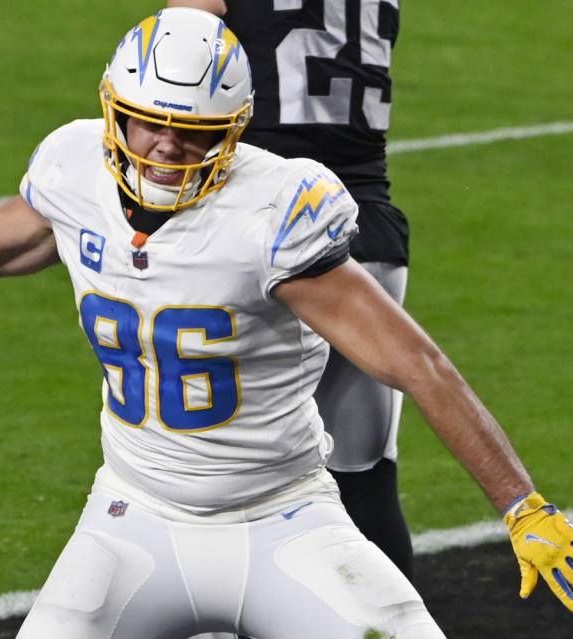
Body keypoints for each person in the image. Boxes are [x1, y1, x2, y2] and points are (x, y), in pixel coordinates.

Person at [0, 8, 573, 639]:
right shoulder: (76, 171)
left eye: (192, 134)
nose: (166, 150)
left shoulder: (274, 207)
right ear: (115, 114)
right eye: (149, 126)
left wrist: (521, 503)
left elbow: (418, 364)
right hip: (133, 519)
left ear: (233, 134)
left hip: (286, 520)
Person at [167, 0, 415, 579]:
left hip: (260, 229)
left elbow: (173, 67)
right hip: (367, 231)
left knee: (222, 476)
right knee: (365, 475)